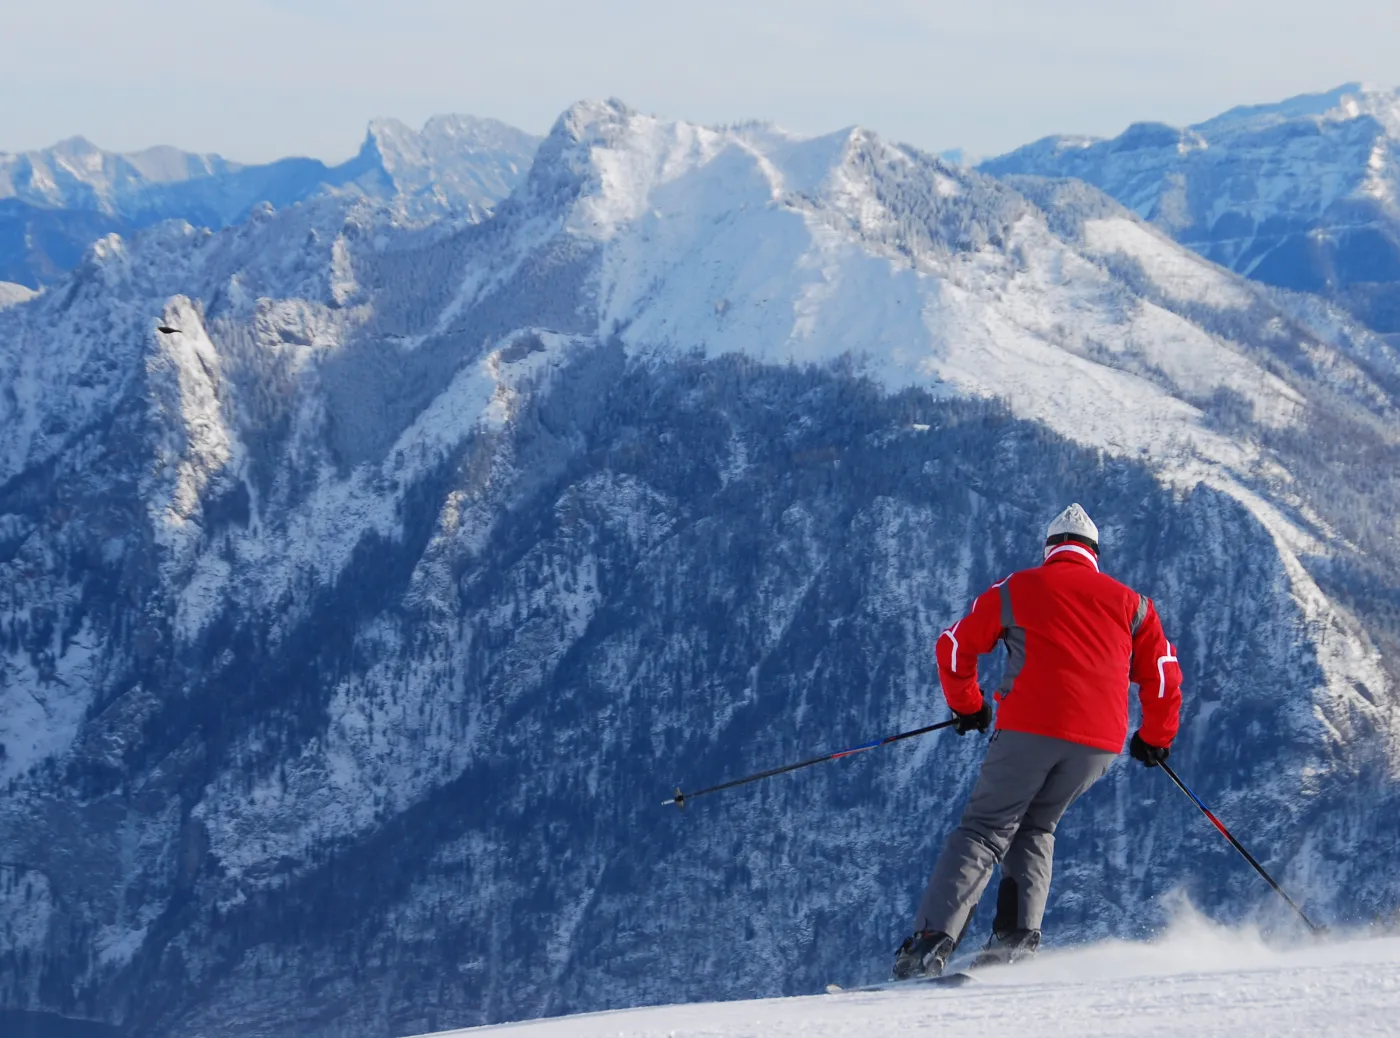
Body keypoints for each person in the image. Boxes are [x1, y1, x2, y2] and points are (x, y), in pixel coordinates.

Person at [893, 503, 1183, 980]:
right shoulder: (1134, 605)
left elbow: (954, 647)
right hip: (1098, 746)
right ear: (1094, 554)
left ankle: (928, 946)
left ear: (1050, 549)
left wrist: (968, 706)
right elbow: (1162, 676)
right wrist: (1154, 738)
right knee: (1036, 827)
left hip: (1029, 730)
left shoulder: (1016, 589)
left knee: (984, 830)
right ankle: (1014, 944)